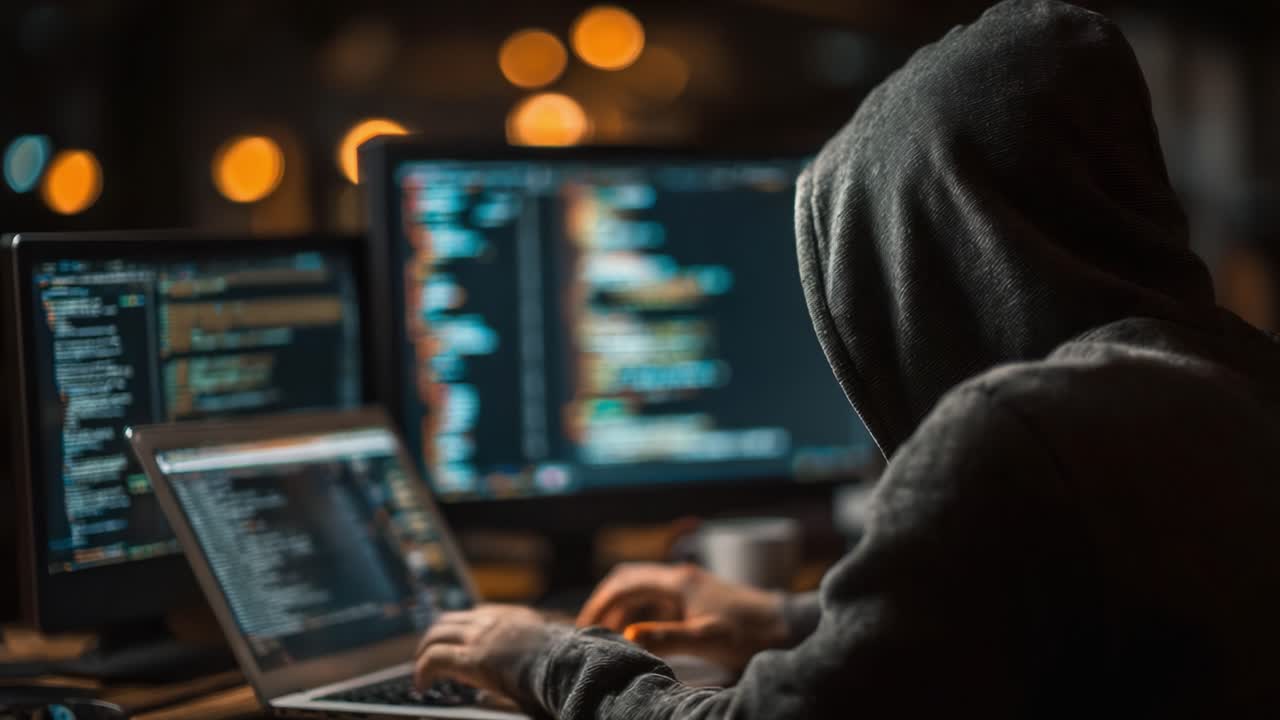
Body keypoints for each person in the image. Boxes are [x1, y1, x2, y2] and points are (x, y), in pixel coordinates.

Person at [412, 0, 1280, 716]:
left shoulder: (1012, 435)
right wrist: (780, 619)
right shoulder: (1237, 380)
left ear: (914, 263)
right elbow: (1011, 615)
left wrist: (547, 657)